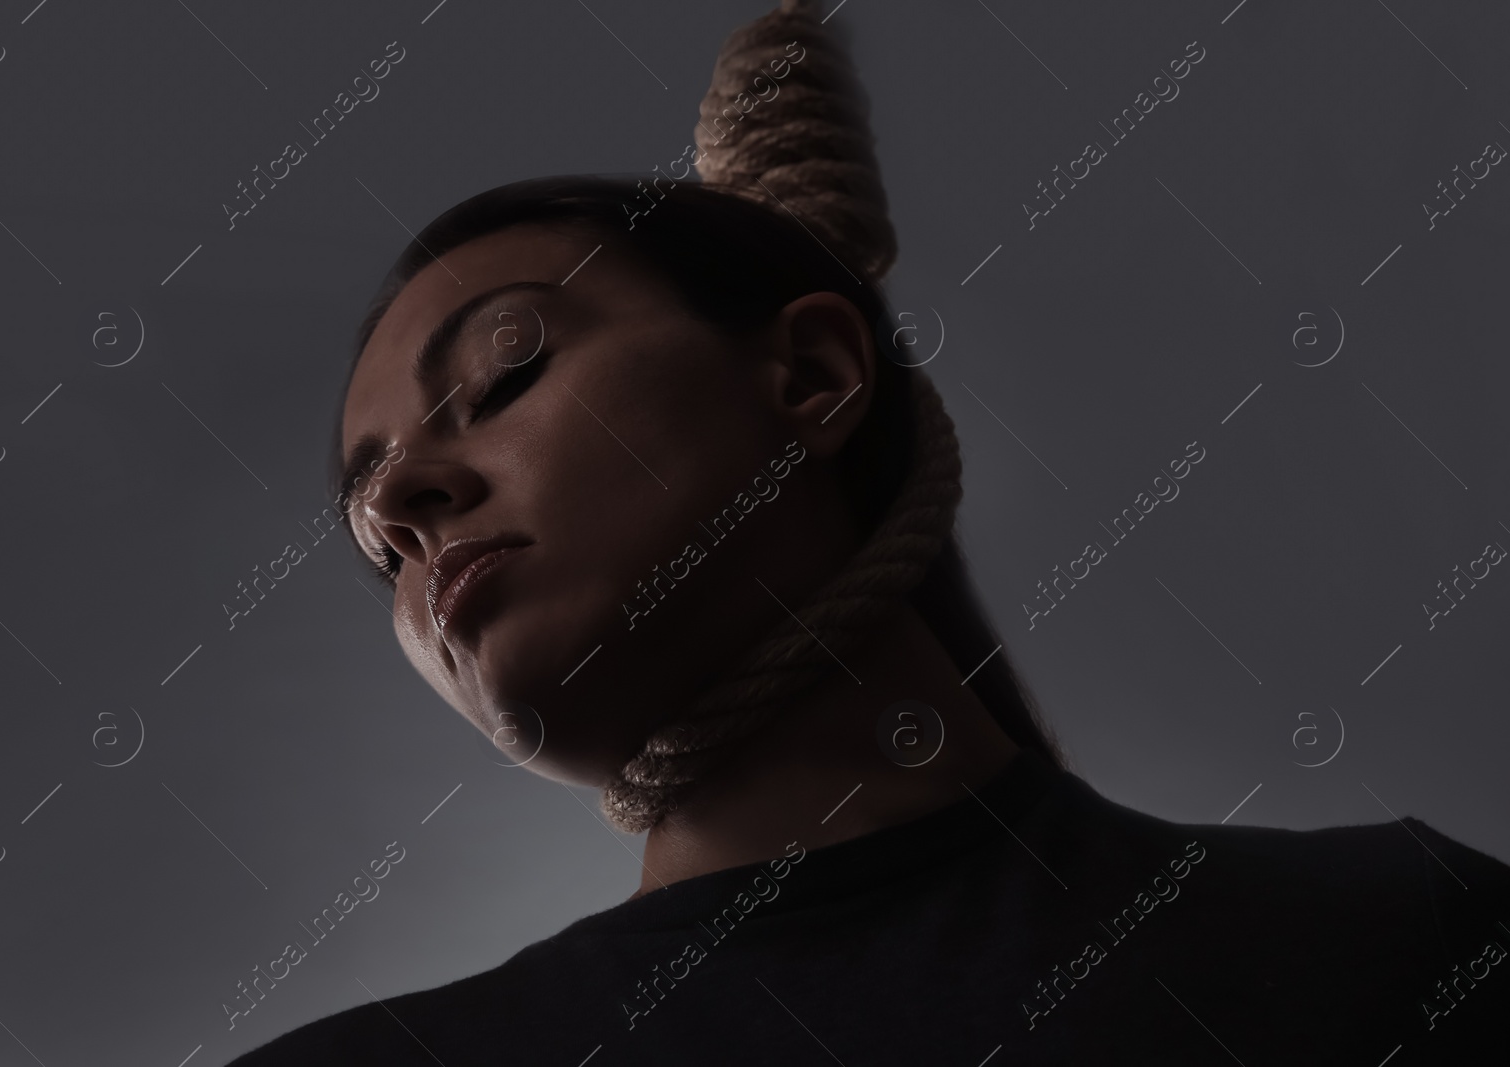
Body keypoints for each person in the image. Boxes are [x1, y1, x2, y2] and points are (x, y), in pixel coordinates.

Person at [228, 4, 1510, 1063]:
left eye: (504, 374)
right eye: (371, 530)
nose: (403, 506)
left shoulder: (1397, 941)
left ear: (811, 375)